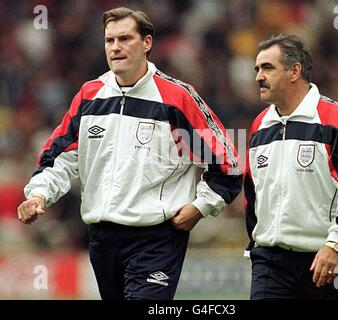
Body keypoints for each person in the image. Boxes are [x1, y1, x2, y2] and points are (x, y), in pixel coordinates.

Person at [17, 7, 242, 300]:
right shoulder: (90, 96)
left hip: (156, 239)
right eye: (109, 40)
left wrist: (199, 207)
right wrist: (38, 194)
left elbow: (227, 164)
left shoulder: (175, 99)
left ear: (147, 43)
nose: (115, 47)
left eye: (125, 38)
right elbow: (60, 157)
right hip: (101, 238)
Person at [244, 34, 338, 300]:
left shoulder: (337, 119)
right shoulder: (259, 125)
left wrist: (335, 243)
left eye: (267, 67)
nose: (258, 76)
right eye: (257, 68)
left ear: (295, 71)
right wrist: (258, 241)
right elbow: (253, 194)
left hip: (332, 262)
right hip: (271, 263)